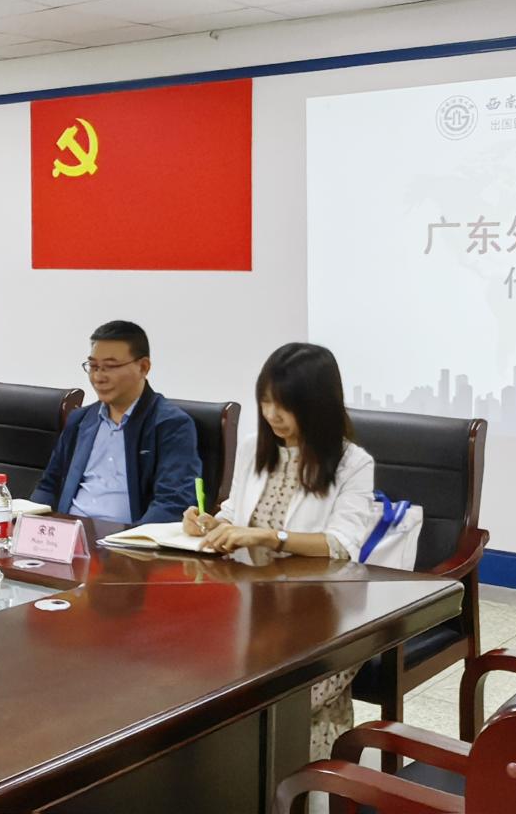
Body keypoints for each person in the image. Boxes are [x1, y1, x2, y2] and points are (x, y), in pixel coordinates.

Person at [182, 342, 375, 767]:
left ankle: (300, 781)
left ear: (317, 406)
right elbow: (235, 513)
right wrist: (209, 522)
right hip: (253, 604)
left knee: (288, 694)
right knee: (199, 675)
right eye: (266, 402)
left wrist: (270, 537)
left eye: (285, 406)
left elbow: (341, 544)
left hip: (322, 611)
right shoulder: (255, 447)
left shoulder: (352, 463)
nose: (272, 415)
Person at [30, 321, 199, 525]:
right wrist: (31, 525)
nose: (98, 377)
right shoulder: (80, 420)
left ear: (143, 367)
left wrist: (131, 540)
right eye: (93, 366)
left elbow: (173, 502)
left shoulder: (170, 425)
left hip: (125, 538)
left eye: (109, 367)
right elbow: (49, 486)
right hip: (69, 533)